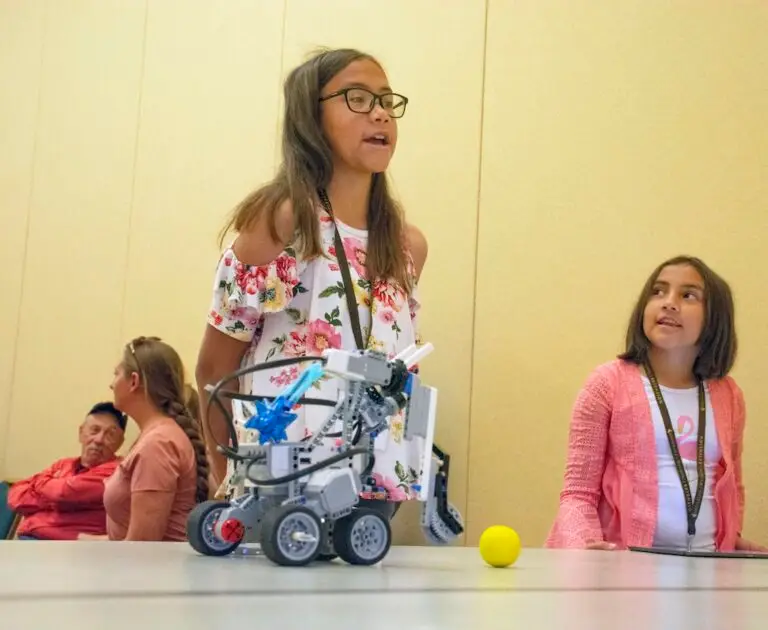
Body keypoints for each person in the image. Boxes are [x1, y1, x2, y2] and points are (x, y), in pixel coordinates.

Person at [195, 47, 428, 517]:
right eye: (358, 98)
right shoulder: (283, 223)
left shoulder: (407, 246)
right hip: (278, 481)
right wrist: (224, 477)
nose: (380, 112)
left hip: (374, 487)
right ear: (309, 118)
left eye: (386, 100)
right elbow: (214, 371)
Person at [545, 255, 766, 553]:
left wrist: (732, 539)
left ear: (715, 319)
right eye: (658, 291)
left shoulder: (729, 395)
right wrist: (584, 547)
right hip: (624, 568)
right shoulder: (606, 384)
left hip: (708, 567)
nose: (669, 302)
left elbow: (732, 486)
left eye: (688, 295)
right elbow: (577, 494)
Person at [100, 336, 209, 541]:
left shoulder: (158, 445)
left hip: (152, 571)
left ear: (134, 381)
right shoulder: (155, 437)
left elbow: (143, 547)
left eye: (116, 374)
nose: (111, 384)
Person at [8, 402, 126, 540]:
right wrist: (56, 499)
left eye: (110, 435)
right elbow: (16, 497)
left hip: (72, 552)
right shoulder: (63, 464)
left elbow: (63, 493)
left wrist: (45, 492)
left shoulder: (118, 471)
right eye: (94, 430)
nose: (99, 440)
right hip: (30, 541)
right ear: (81, 433)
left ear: (120, 442)